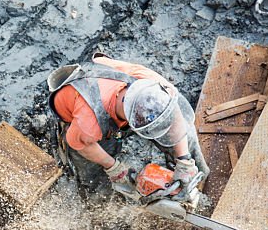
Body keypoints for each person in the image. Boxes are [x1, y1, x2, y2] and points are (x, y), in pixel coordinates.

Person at [47, 53, 209, 200]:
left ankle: (196, 176)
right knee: (94, 172)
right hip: (83, 119)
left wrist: (184, 159)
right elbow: (81, 145)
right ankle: (101, 202)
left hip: (112, 98)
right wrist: (114, 168)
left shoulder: (152, 84)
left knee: (185, 136)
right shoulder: (88, 124)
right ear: (132, 122)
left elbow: (174, 112)